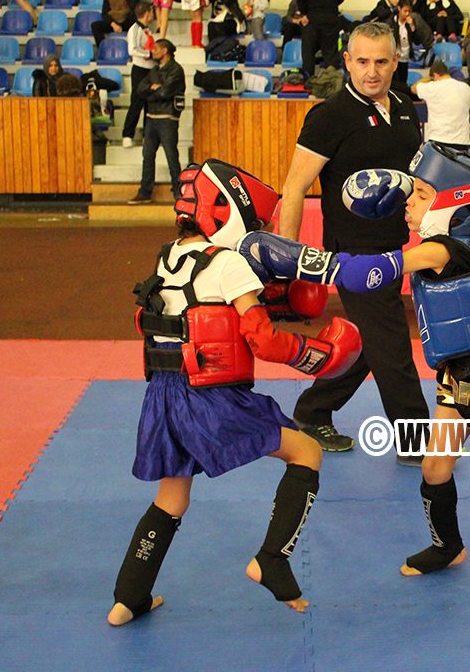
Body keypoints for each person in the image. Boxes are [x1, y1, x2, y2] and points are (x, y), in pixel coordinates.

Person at [239, 142, 470, 578]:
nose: (408, 203)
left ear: (453, 203)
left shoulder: (445, 251)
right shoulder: (446, 243)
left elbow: (369, 274)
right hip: (458, 372)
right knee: (435, 467)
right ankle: (448, 546)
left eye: (420, 195)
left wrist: (293, 261)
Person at [107, 159, 361, 626]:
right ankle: (272, 559)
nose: (260, 231)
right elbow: (262, 340)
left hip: (163, 397)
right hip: (212, 399)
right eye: (259, 221)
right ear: (229, 212)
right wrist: (318, 358)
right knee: (306, 451)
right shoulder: (228, 262)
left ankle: (129, 597)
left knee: (171, 499)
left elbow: (200, 313)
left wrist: (275, 298)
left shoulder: (167, 257)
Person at [276, 21, 428, 460]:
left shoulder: (403, 108)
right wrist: (287, 261)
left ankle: (313, 410)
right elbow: (294, 187)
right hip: (351, 253)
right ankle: (416, 441)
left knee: (366, 341)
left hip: (393, 246)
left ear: (395, 62)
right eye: (362, 61)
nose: (371, 71)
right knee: (392, 341)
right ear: (347, 61)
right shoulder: (330, 117)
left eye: (381, 61)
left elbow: (411, 175)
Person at [128, 39, 185, 204]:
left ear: (165, 50)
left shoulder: (176, 69)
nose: (152, 51)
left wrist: (153, 90)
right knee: (147, 156)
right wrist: (154, 89)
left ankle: (179, 192)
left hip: (167, 118)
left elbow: (165, 93)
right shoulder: (154, 69)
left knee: (171, 156)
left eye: (156, 48)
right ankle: (145, 192)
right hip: (152, 117)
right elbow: (140, 90)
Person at [412, 59, 470, 151]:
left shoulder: (432, 87)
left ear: (435, 75)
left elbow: (413, 88)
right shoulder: (466, 88)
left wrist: (429, 78)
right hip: (461, 142)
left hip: (439, 140)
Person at [122, 3, 156, 149]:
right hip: (140, 69)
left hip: (150, 70)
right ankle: (127, 134)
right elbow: (133, 49)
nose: (153, 16)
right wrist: (149, 54)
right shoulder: (134, 29)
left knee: (150, 103)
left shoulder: (147, 30)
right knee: (137, 102)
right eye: (152, 13)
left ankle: (147, 135)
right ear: (147, 13)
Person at [297, 0, 344, 76]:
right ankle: (331, 82)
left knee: (308, 53)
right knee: (331, 54)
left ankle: (308, 81)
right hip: (331, 17)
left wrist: (304, 13)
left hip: (312, 18)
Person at [392, 0, 432, 86]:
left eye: (409, 11)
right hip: (395, 56)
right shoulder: (392, 22)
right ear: (399, 8)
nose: (407, 14)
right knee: (394, 82)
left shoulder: (411, 23)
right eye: (405, 11)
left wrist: (412, 27)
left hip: (405, 56)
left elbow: (417, 41)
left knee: (403, 81)